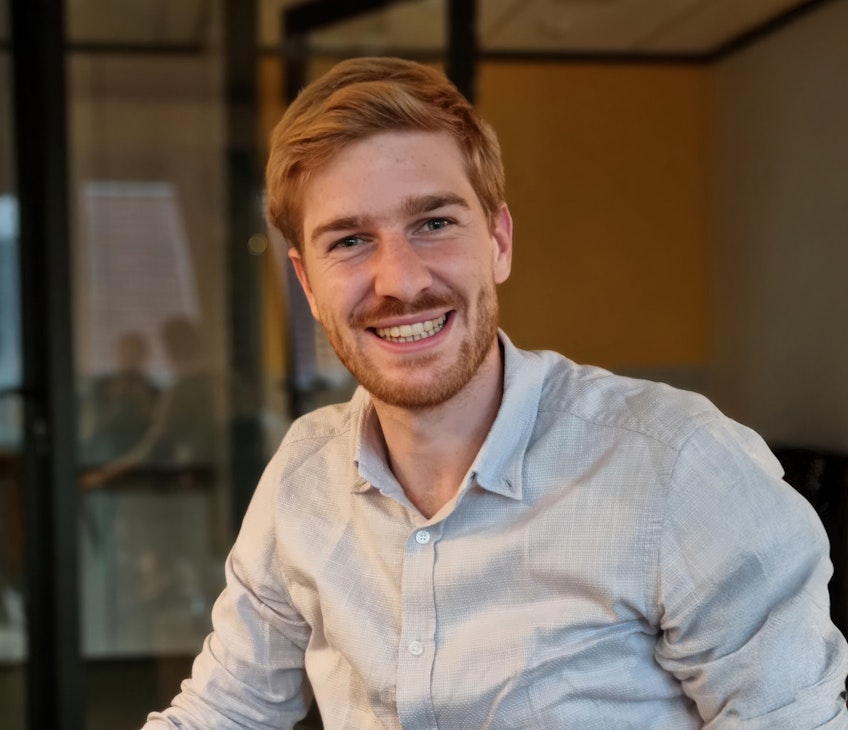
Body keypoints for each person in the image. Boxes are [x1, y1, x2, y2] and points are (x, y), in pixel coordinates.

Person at [143, 57, 848, 729]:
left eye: (434, 223)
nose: (401, 281)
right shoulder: (304, 475)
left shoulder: (679, 466)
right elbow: (224, 712)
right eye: (350, 241)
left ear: (499, 242)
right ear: (306, 284)